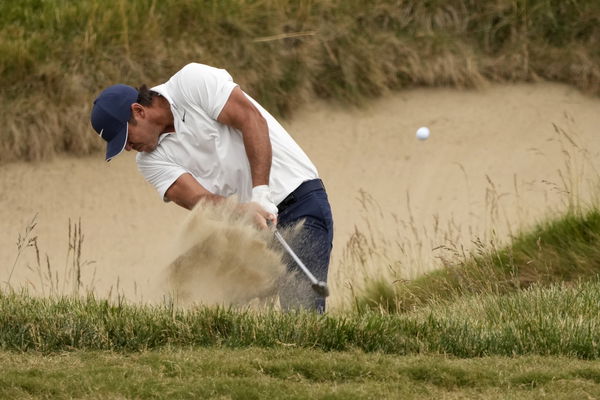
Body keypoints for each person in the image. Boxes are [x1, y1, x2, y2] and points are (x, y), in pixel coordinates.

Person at [90, 62, 333, 312]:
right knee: (226, 314)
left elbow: (251, 120)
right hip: (251, 227)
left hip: (298, 196)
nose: (128, 149)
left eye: (126, 138)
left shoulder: (191, 82)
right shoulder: (150, 161)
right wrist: (242, 211)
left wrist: (261, 194)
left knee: (301, 315)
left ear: (139, 111)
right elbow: (199, 200)